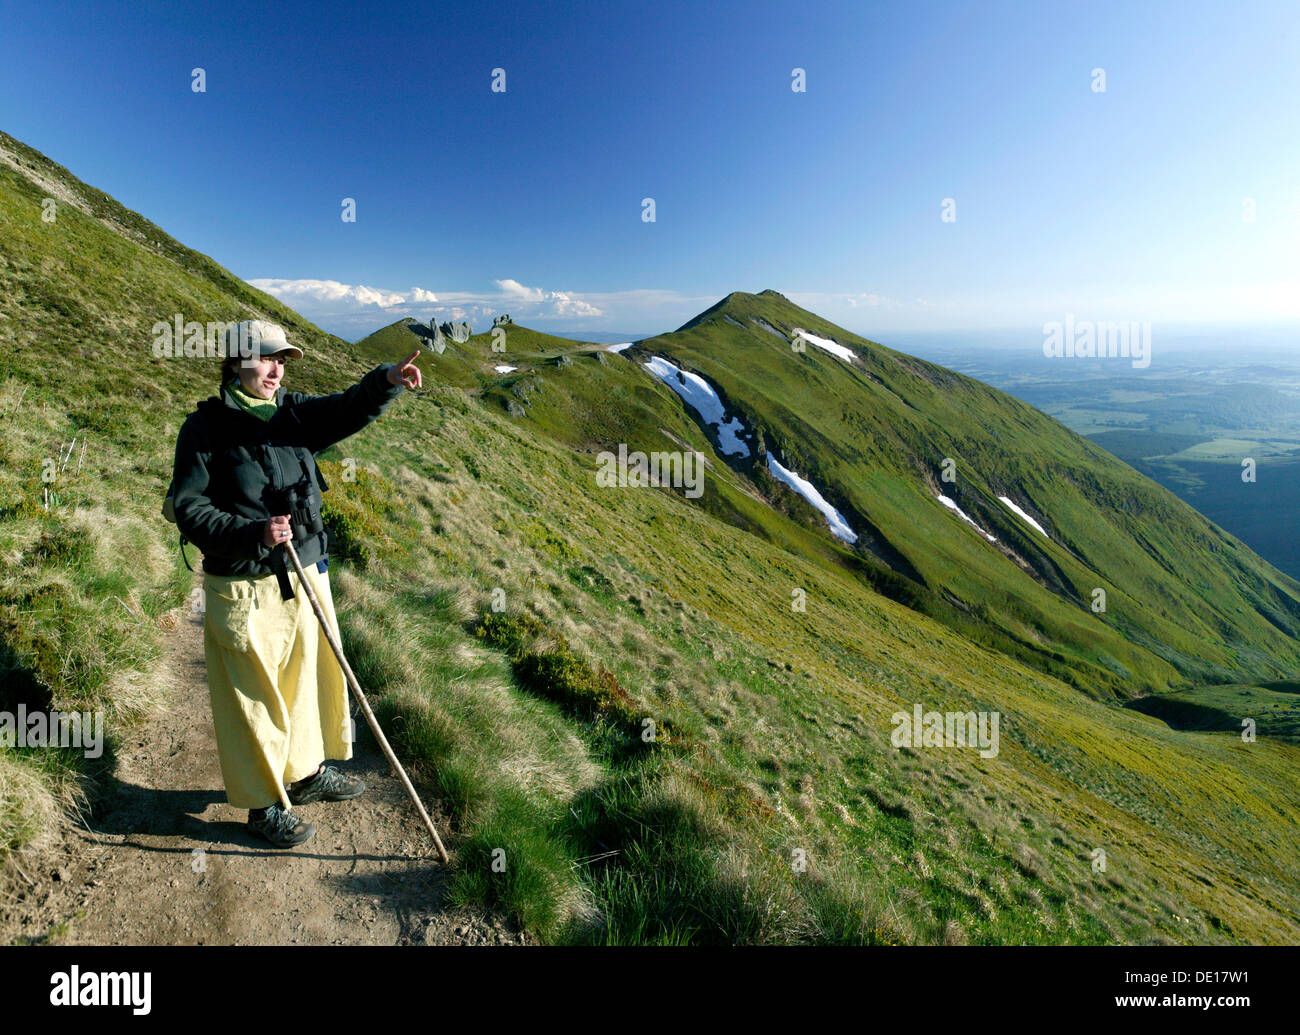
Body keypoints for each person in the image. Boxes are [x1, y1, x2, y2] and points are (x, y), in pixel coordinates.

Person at [169, 319, 422, 848]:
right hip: (243, 585)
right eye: (266, 358)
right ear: (237, 362)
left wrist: (385, 381)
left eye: (282, 360)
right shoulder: (204, 430)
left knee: (304, 679)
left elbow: (345, 409)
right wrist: (251, 532)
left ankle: (304, 774)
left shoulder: (292, 413)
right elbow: (189, 508)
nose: (277, 370)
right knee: (252, 698)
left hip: (305, 573)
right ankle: (263, 806)